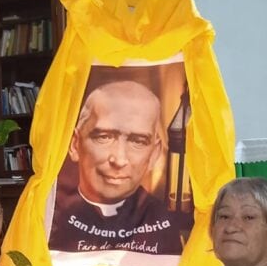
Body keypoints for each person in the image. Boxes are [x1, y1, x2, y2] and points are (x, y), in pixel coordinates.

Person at [48, 80, 183, 254]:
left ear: (154, 153)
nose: (119, 160)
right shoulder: (49, 214)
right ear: (75, 144)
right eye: (104, 137)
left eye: (138, 141)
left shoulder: (167, 224)